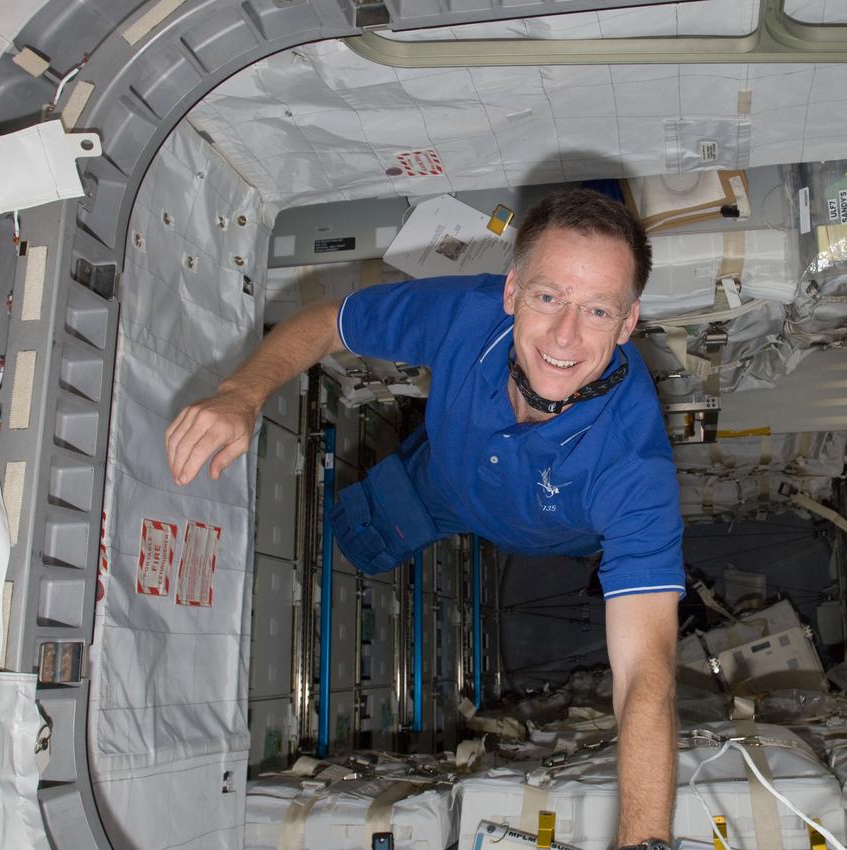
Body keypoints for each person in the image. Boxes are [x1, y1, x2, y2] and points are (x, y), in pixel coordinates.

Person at [165, 189, 683, 848]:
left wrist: (645, 841)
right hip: (443, 478)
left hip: (549, 531)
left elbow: (645, 674)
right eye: (549, 296)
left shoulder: (633, 468)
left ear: (628, 321)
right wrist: (242, 391)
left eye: (598, 310)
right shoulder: (466, 314)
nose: (565, 335)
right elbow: (331, 321)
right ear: (512, 290)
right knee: (357, 538)